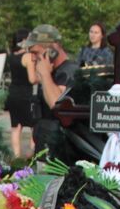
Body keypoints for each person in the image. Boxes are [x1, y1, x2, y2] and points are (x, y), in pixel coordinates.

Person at [22, 24, 79, 152]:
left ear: (52, 50)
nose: (32, 58)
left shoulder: (68, 72)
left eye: (35, 52)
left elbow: (56, 104)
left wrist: (45, 74)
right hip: (45, 144)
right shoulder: (52, 72)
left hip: (61, 149)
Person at [5, 28, 39, 159]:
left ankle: (16, 156)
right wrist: (42, 77)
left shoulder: (12, 56)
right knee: (33, 126)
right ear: (24, 40)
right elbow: (32, 79)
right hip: (26, 95)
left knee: (16, 127)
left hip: (13, 93)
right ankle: (32, 154)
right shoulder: (28, 57)